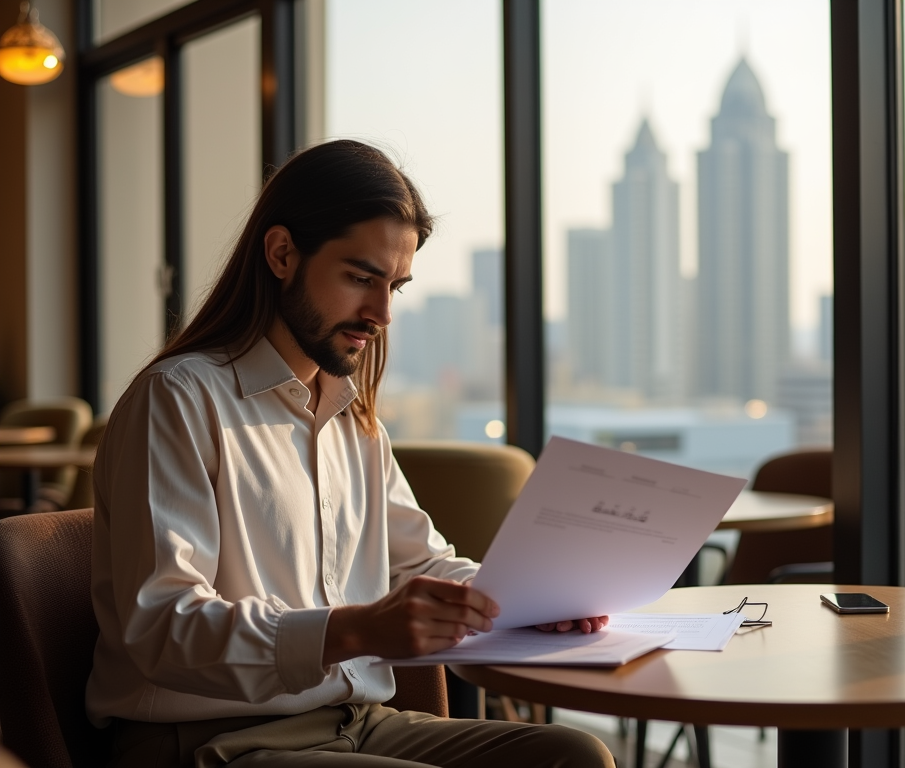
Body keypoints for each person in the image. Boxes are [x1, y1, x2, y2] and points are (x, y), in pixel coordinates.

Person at [87, 140, 616, 768]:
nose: (382, 312)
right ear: (282, 254)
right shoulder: (178, 398)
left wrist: (531, 602)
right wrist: (354, 630)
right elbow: (164, 626)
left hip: (358, 724)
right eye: (361, 278)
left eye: (396, 285)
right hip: (211, 739)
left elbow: (420, 566)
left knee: (574, 754)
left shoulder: (352, 421)